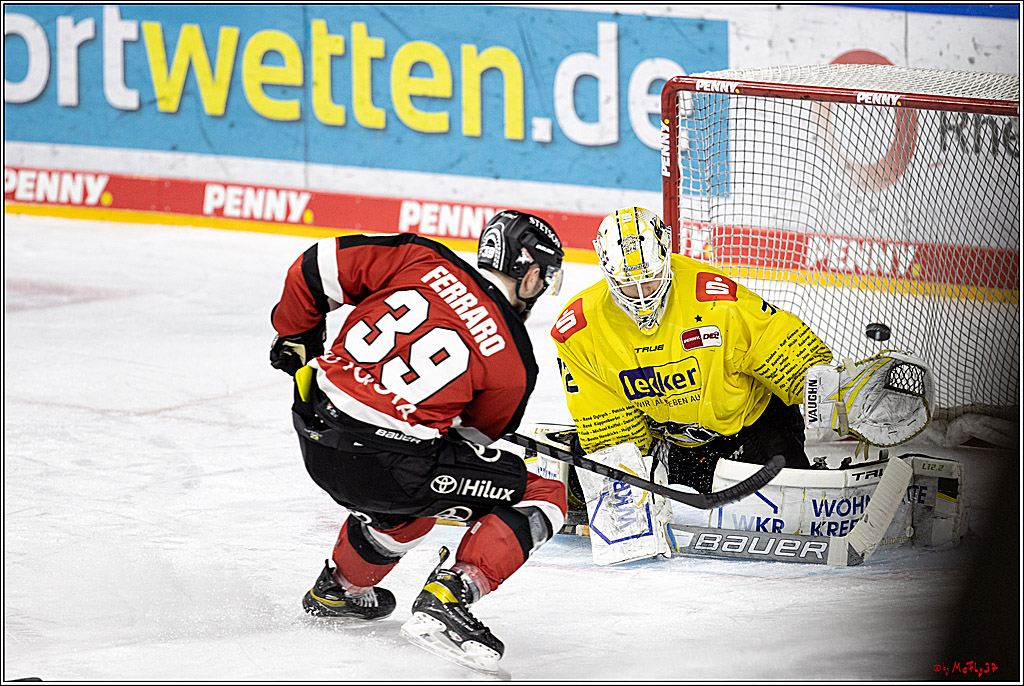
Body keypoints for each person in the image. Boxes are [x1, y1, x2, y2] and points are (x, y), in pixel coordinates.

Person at [268, 211, 568, 676]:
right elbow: (471, 442)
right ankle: (451, 597)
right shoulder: (514, 359)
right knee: (543, 494)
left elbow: (314, 267)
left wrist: (296, 335)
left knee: (408, 515)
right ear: (531, 275)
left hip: (313, 430)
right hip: (389, 466)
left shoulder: (419, 257)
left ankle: (340, 589)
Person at [550, 206, 833, 507]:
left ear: (666, 256)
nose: (642, 294)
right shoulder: (580, 330)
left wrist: (837, 393)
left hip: (747, 427)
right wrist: (634, 477)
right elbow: (612, 425)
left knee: (794, 504)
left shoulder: (713, 298)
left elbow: (777, 344)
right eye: (627, 283)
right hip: (672, 444)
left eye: (651, 278)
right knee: (594, 485)